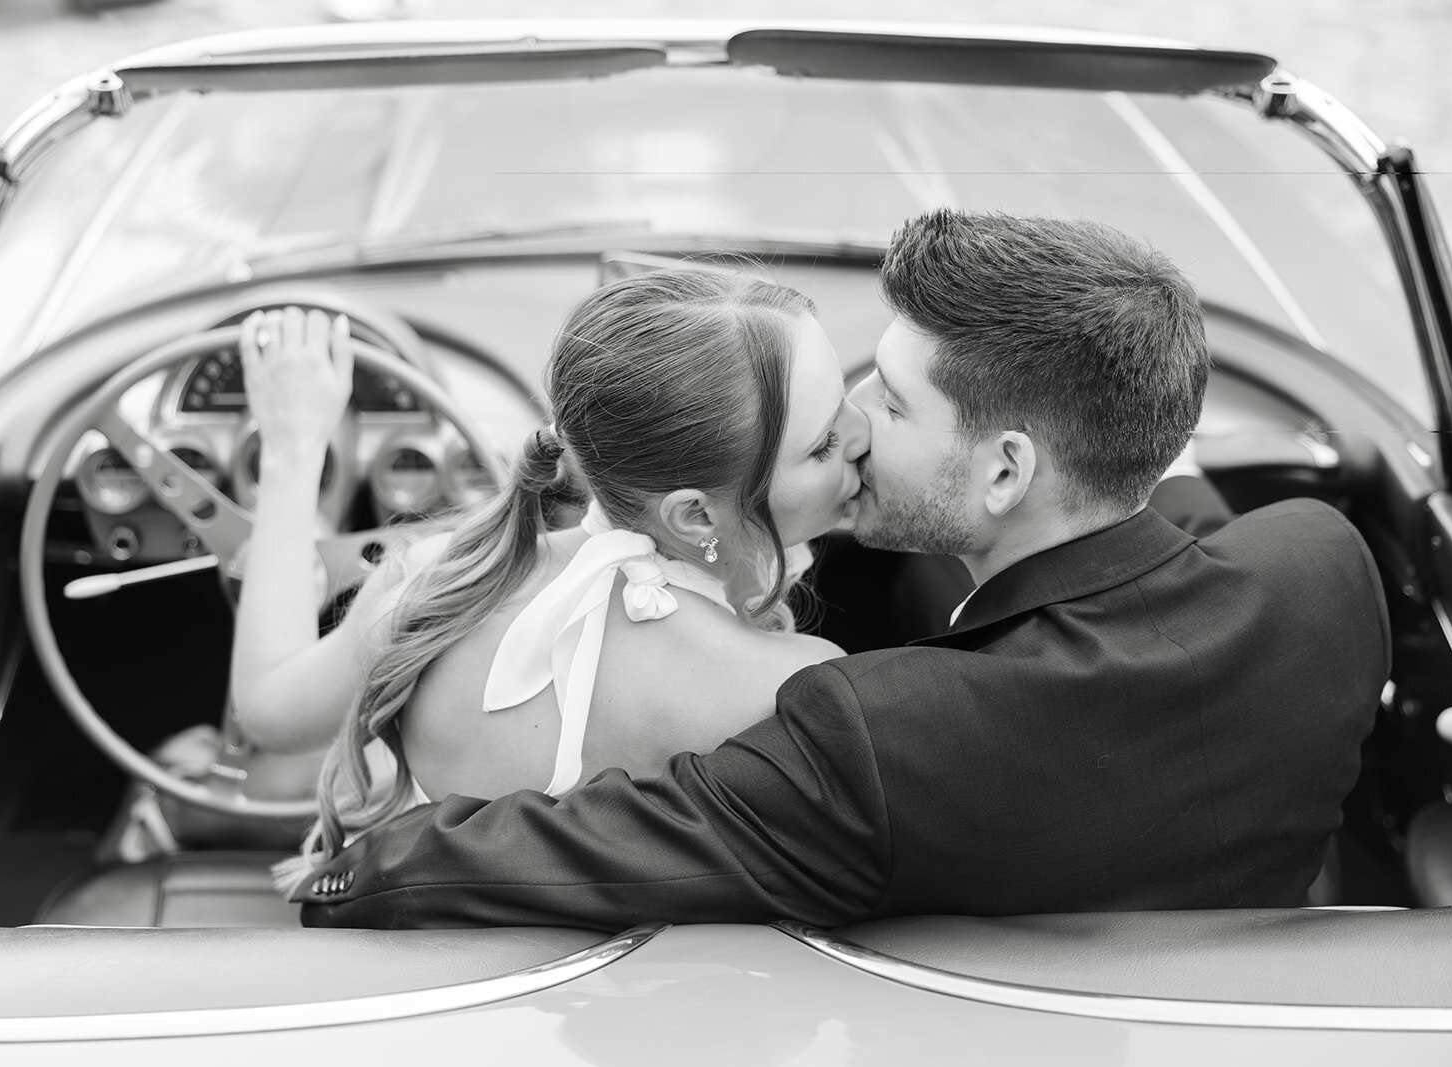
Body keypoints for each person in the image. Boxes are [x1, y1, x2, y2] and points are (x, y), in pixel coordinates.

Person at [294, 208, 1390, 929]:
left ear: (1007, 470)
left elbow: (569, 841)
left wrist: (353, 872)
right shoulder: (1322, 569)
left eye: (891, 401)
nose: (856, 427)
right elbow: (1166, 527)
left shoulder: (887, 740)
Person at [227, 271, 869, 886]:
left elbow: (267, 712)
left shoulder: (434, 585)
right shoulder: (795, 687)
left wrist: (291, 450)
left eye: (848, 405)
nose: (862, 435)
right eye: (822, 445)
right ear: (694, 514)